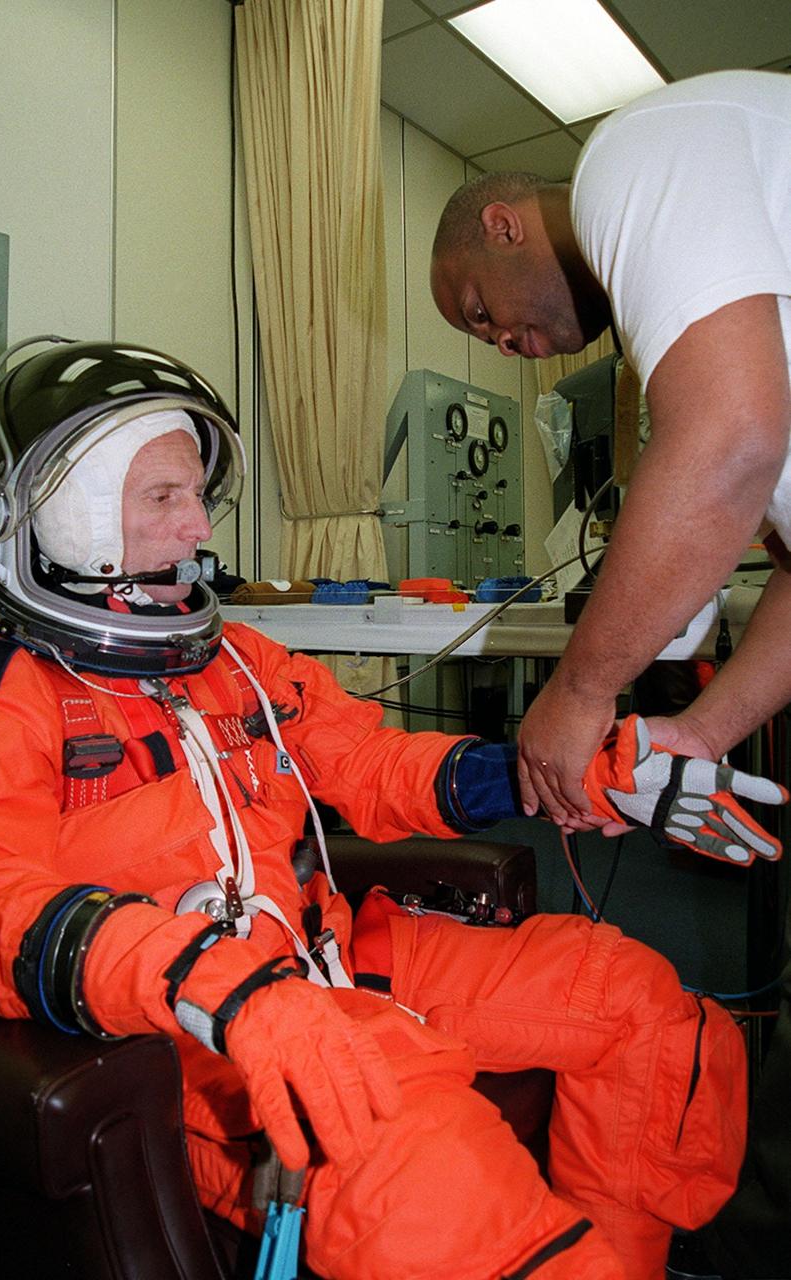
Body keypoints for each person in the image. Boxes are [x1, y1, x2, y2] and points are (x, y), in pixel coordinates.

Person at [0, 340, 781, 1280]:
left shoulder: (238, 665)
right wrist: (207, 980)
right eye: (161, 500)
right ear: (61, 521)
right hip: (199, 1048)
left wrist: (573, 777)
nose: (197, 531)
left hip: (334, 965)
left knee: (643, 1009)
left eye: (195, 496)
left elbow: (379, 766)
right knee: (434, 1181)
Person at [430, 70, 791, 1279]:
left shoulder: (635, 153)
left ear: (504, 222)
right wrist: (701, 726)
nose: (506, 345)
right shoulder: (724, 278)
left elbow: (732, 439)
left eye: (481, 310)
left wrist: (580, 693)